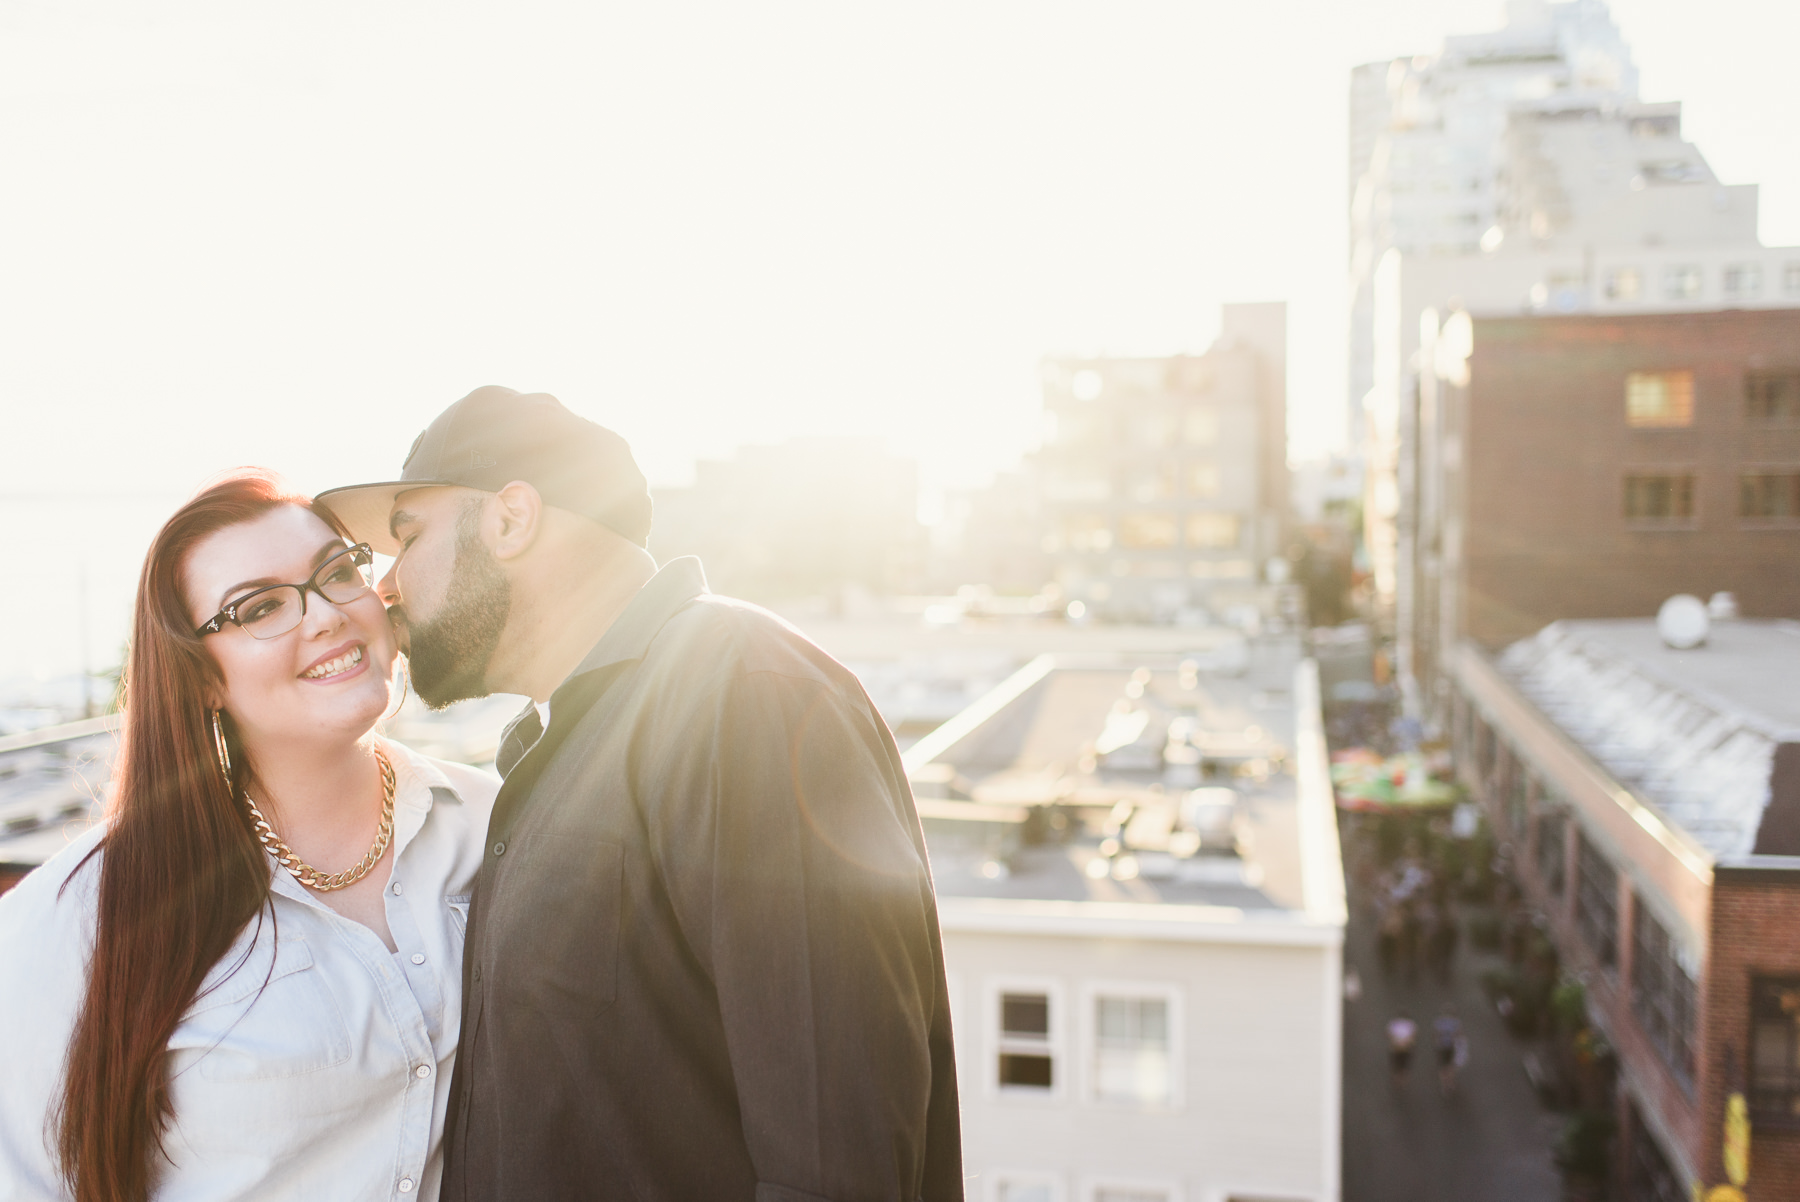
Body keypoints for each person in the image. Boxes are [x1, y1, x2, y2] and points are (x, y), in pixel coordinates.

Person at [318, 386, 963, 1201]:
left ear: (511, 519)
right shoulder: (556, 748)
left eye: (406, 539)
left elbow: (836, 1164)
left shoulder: (745, 695)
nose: (386, 589)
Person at [0, 471, 498, 1201]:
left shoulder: (496, 823)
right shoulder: (73, 916)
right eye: (260, 607)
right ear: (201, 678)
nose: (326, 615)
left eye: (337, 573)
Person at [1435, 1005, 1466, 1097]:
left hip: (1442, 1046)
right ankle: (1450, 1083)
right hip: (1452, 1046)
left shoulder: (1439, 1022)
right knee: (1451, 1065)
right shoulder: (1456, 1022)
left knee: (1442, 1065)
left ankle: (1444, 1085)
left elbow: (1436, 1034)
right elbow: (1459, 1034)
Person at [1386, 1012, 1417, 1087]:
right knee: (1405, 1066)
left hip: (1396, 1049)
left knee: (1396, 1066)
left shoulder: (1394, 1024)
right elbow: (1413, 1037)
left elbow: (1389, 1035)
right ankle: (1403, 1082)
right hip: (1406, 1049)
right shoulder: (1410, 1024)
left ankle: (1396, 1081)